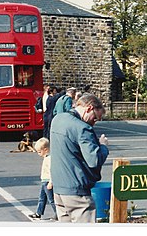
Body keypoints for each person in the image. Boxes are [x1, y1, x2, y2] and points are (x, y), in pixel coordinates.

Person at [50, 93, 109, 223]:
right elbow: (94, 161)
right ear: (89, 108)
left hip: (59, 189)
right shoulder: (83, 128)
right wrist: (103, 147)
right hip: (77, 191)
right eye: (95, 118)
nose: (94, 122)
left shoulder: (57, 119)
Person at [29, 138, 56, 221]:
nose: (38, 154)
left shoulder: (49, 158)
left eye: (39, 152)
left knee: (51, 199)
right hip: (44, 180)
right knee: (42, 198)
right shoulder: (46, 157)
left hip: (47, 181)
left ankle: (58, 213)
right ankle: (38, 213)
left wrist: (51, 182)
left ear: (46, 149)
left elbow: (52, 171)